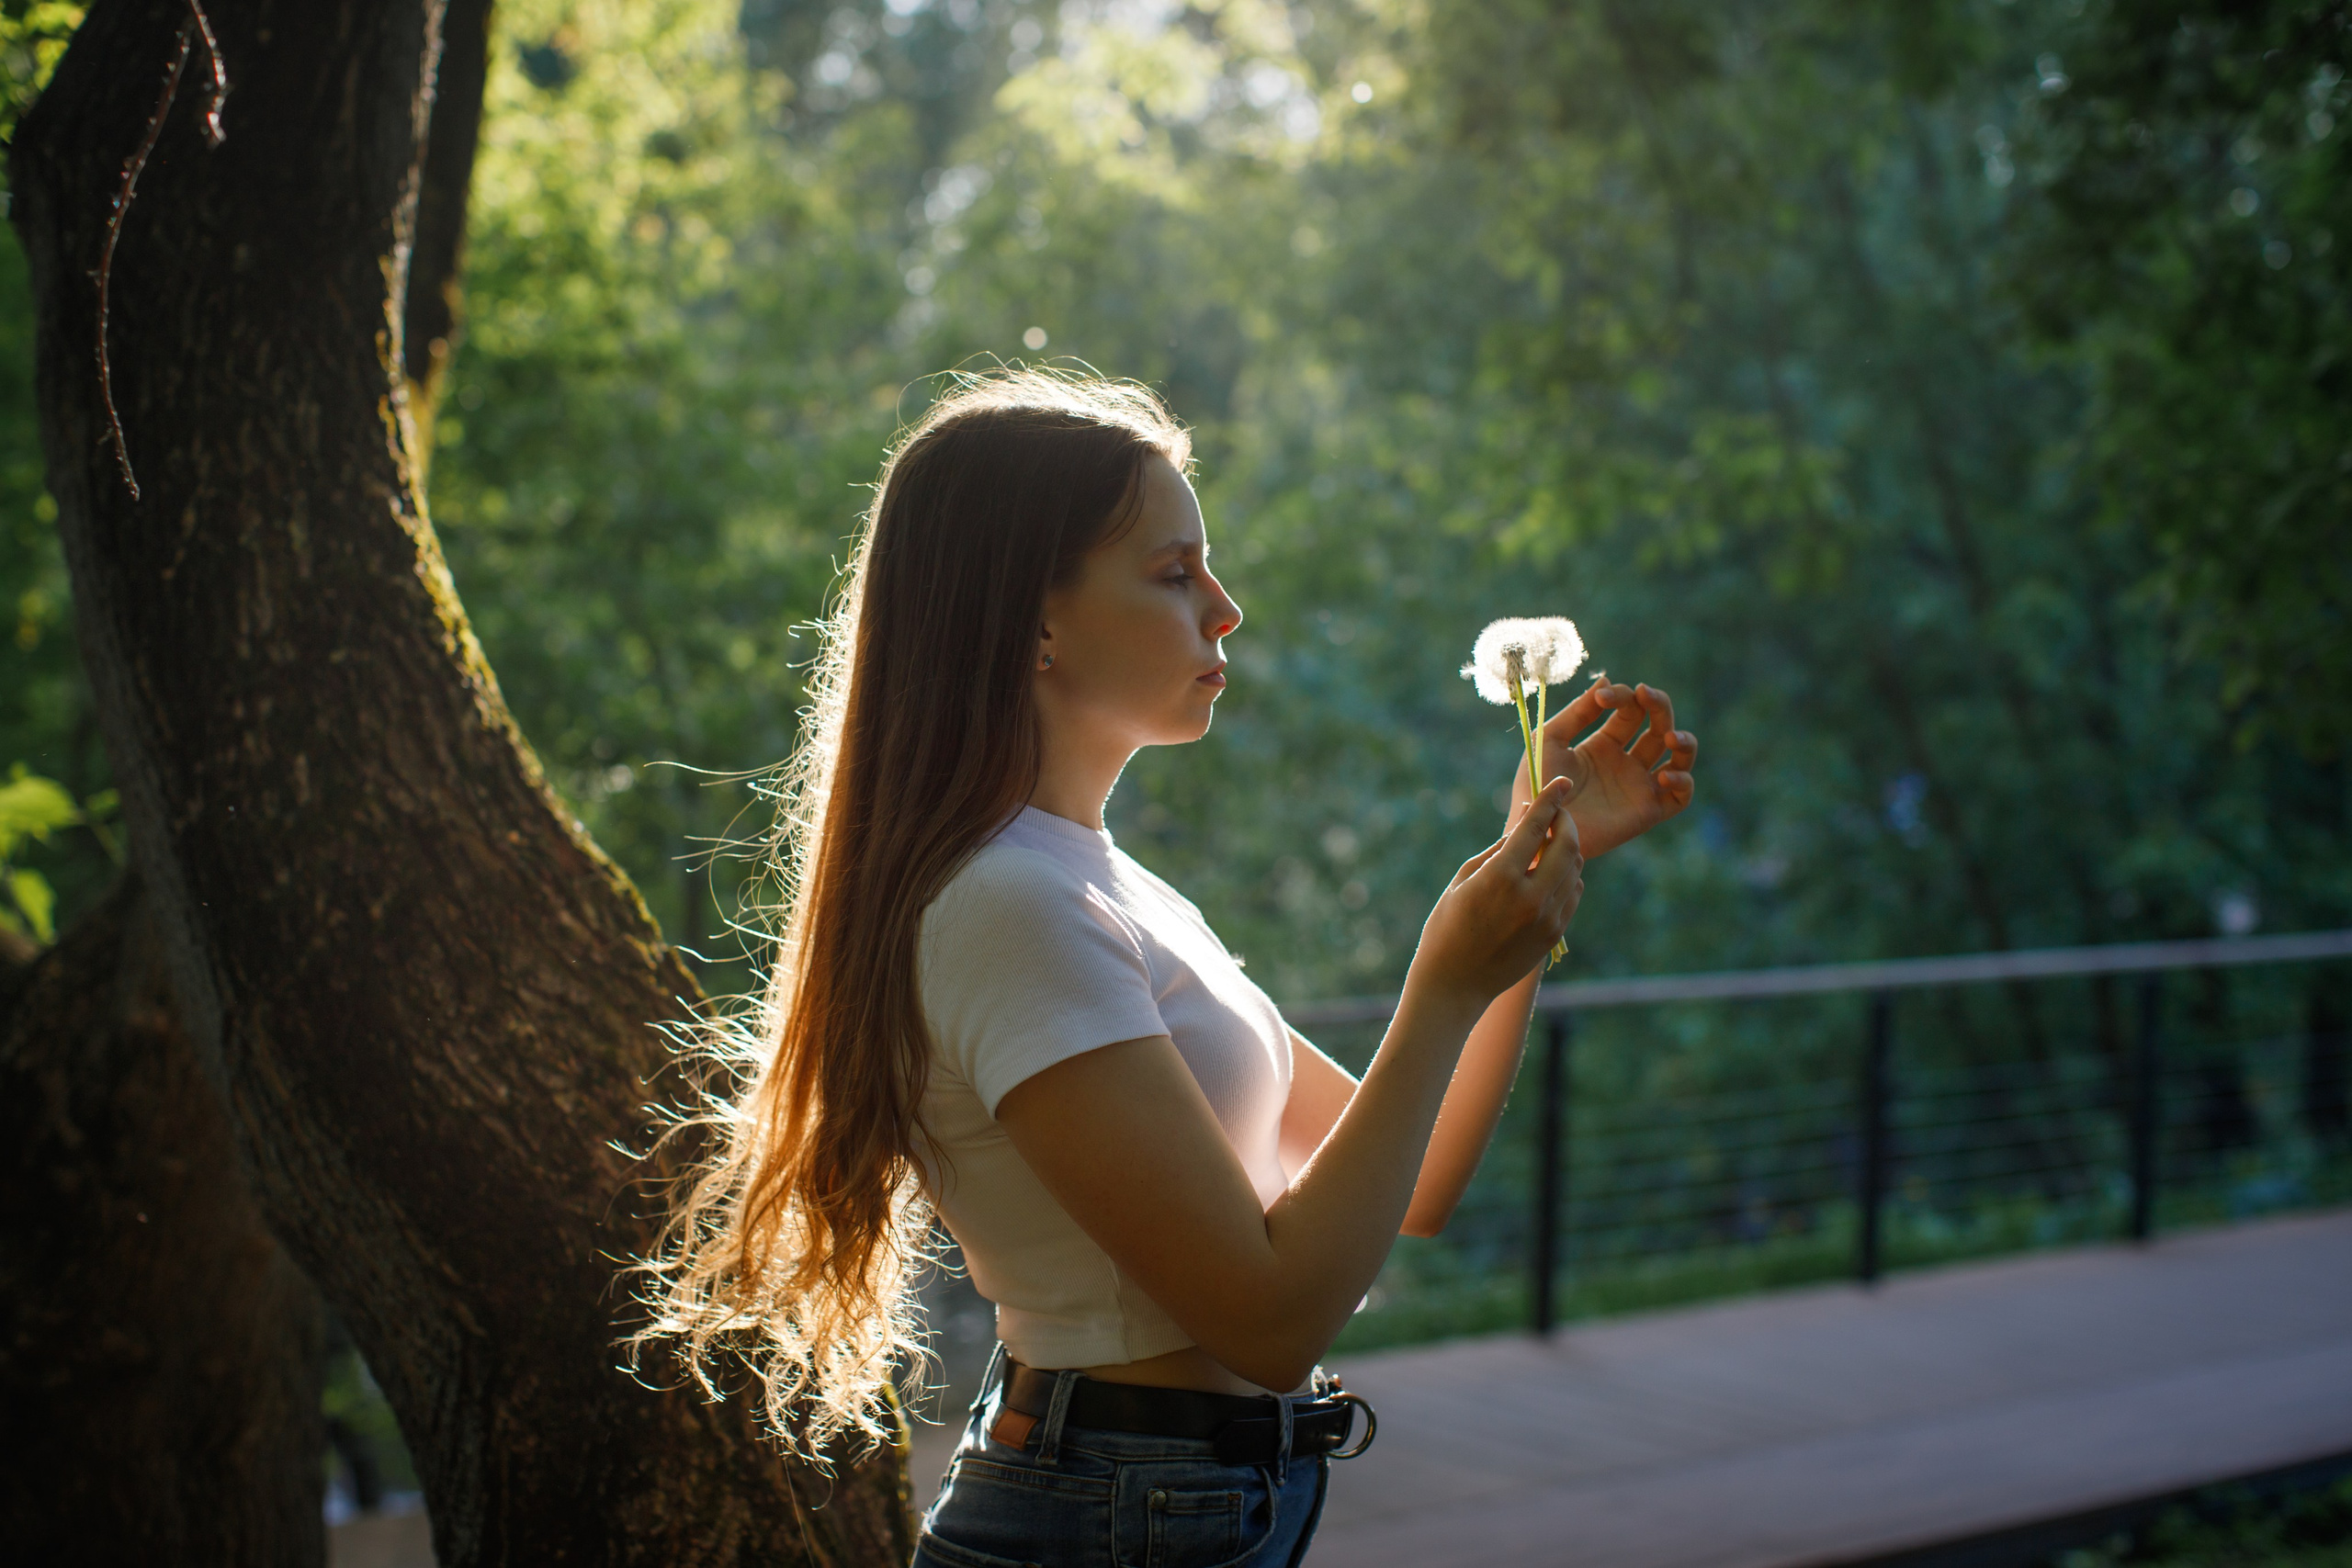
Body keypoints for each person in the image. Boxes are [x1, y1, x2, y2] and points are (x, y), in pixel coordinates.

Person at [632, 368, 1697, 1567]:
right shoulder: (1009, 906)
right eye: (1174, 573)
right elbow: (1272, 1325)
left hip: (1183, 1502)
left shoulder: (1101, 884)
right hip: (1112, 1519)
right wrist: (1446, 980)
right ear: (1032, 622)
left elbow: (1418, 1181)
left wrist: (1524, 879)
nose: (1225, 610)